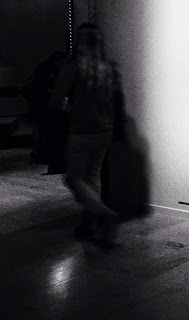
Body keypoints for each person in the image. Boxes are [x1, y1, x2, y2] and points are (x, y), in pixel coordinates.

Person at [49, 23, 121, 248]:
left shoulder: (73, 67)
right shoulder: (109, 67)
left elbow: (56, 100)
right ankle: (88, 225)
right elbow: (117, 101)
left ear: (79, 42)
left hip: (81, 130)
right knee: (93, 176)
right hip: (105, 130)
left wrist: (59, 114)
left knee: (74, 178)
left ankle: (105, 214)